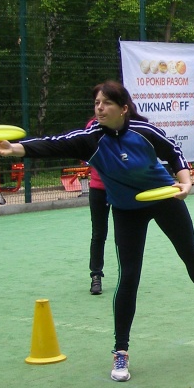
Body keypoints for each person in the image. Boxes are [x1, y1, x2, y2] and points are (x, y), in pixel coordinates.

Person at [0, 80, 194, 383]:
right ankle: (121, 351)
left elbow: (173, 152)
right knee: (129, 276)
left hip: (164, 198)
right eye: (97, 103)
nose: (99, 108)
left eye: (106, 103)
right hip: (127, 209)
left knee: (191, 254)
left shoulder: (144, 131)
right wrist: (15, 148)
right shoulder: (90, 139)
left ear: (123, 108)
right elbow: (53, 144)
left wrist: (185, 181)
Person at [85, 117, 110, 296]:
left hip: (122, 189)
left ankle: (127, 276)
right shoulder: (93, 126)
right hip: (98, 189)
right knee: (99, 233)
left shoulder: (127, 125)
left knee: (125, 235)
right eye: (98, 104)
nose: (101, 107)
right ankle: (96, 276)